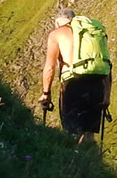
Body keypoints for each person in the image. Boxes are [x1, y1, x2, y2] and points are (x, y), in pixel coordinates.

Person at [40, 7, 112, 141]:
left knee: (72, 133)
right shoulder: (92, 33)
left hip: (73, 85)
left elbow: (50, 67)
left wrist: (46, 93)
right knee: (89, 134)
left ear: (57, 23)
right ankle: (93, 161)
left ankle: (74, 160)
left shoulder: (57, 34)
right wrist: (107, 95)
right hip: (97, 84)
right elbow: (106, 64)